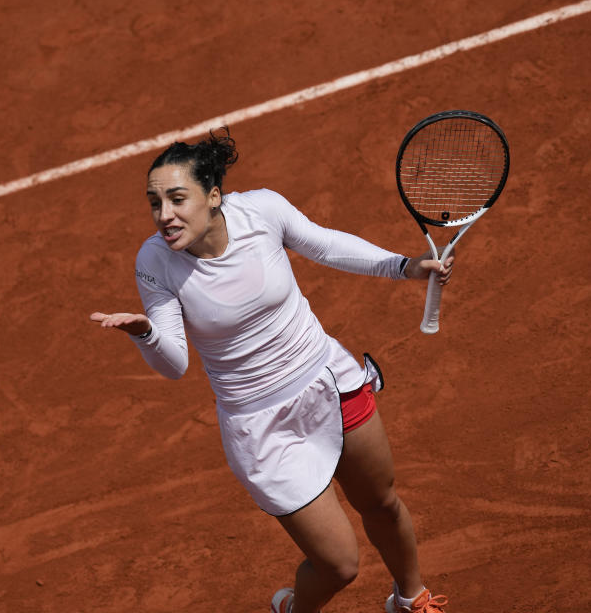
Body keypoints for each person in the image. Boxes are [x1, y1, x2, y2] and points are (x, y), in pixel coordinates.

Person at [90, 128, 451, 613]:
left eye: (177, 199)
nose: (164, 216)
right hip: (261, 428)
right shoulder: (155, 261)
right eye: (154, 203)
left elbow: (325, 245)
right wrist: (145, 333)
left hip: (328, 380)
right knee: (338, 565)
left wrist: (405, 266)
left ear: (213, 196)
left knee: (382, 503)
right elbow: (174, 365)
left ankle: (411, 598)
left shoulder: (262, 210)